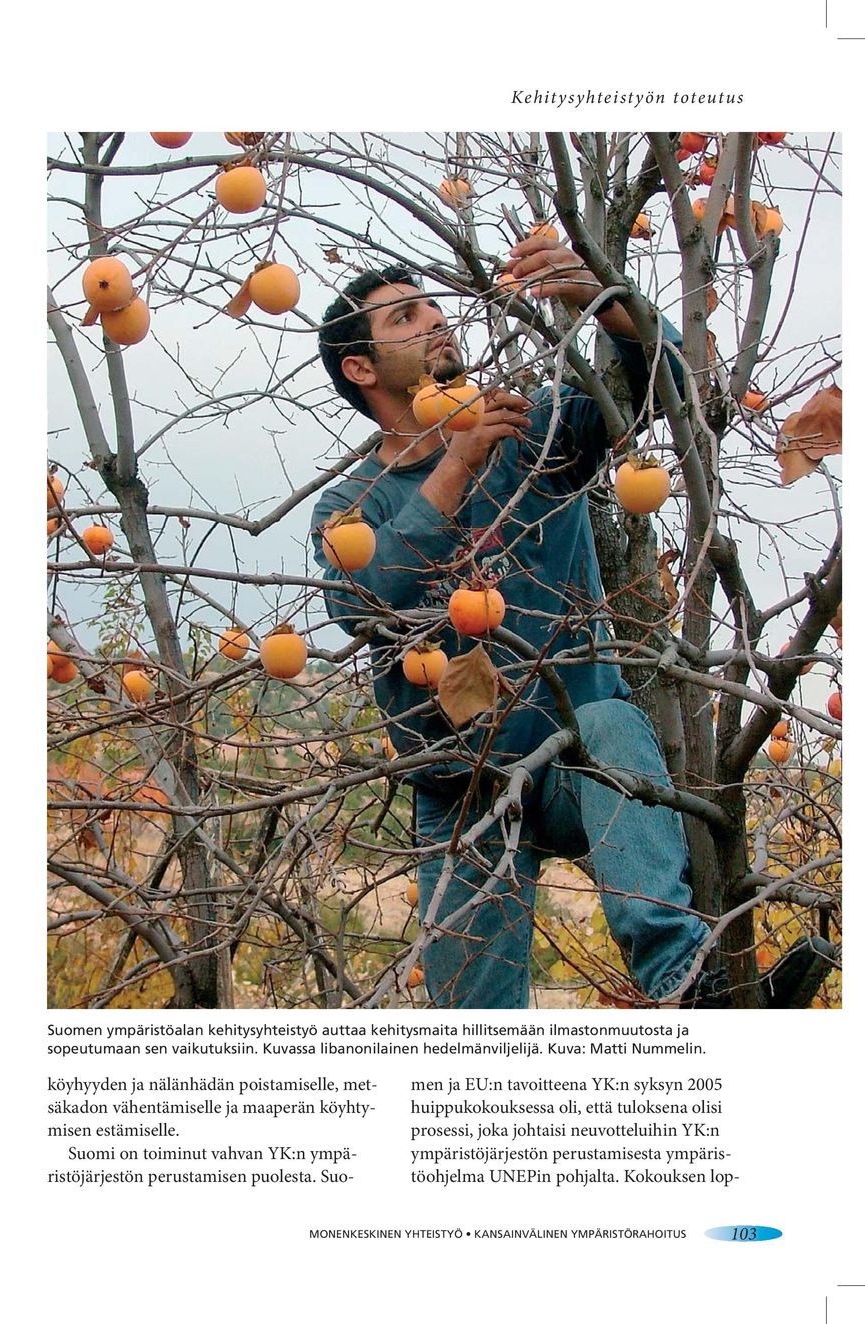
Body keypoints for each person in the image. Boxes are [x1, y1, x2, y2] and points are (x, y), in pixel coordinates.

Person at [310, 241, 832, 1010]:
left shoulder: (530, 432)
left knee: (612, 722)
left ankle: (687, 985)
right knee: (476, 1036)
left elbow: (670, 392)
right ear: (360, 368)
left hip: (575, 758)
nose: (435, 320)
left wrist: (604, 295)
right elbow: (365, 604)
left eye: (431, 306)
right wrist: (455, 464)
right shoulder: (353, 505)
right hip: (463, 790)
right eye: (405, 317)